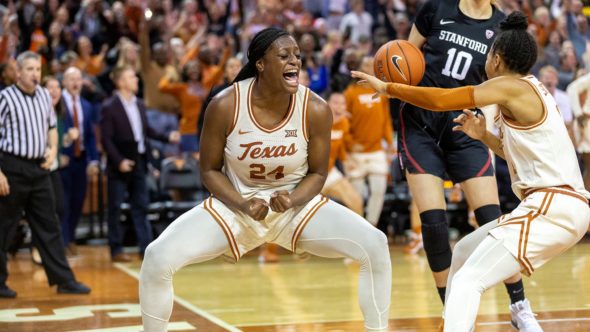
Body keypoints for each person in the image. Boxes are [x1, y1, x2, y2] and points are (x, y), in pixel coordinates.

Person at [139, 28, 392, 332]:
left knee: (375, 244)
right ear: (261, 64)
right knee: (156, 257)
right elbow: (208, 171)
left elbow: (318, 174)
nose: (294, 61)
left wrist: (293, 199)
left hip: (295, 209)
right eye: (284, 56)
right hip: (236, 207)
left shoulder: (315, 108)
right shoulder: (225, 105)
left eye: (297, 56)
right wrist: (243, 203)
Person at [352, 11, 589, 331]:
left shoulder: (511, 86)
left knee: (467, 281)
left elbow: (443, 100)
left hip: (551, 207)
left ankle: (493, 316)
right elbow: (519, 157)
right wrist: (485, 136)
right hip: (558, 206)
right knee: (463, 251)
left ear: (498, 58)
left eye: (488, 55)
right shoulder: (529, 91)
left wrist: (390, 88)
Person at [394, 0, 539, 326]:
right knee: (434, 222)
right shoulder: (436, 9)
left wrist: (485, 128)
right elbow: (404, 56)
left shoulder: (503, 26)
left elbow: (500, 88)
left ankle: (520, 307)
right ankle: (451, 312)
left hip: (465, 124)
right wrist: (391, 76)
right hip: (420, 123)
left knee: (492, 220)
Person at [0, 51, 91, 298]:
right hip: (11, 167)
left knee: (49, 225)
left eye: (38, 69)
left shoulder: (43, 95)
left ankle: (64, 280)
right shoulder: (5, 98)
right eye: (29, 69)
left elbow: (51, 127)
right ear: (18, 72)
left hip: (39, 169)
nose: (35, 74)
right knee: (4, 228)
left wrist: (52, 149)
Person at [100, 65, 180, 262]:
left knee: (141, 206)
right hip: (119, 162)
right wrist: (119, 161)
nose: (136, 79)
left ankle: (146, 248)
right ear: (120, 82)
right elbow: (106, 139)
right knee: (116, 207)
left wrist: (167, 137)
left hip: (139, 159)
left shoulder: (140, 104)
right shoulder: (109, 106)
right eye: (131, 76)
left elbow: (147, 132)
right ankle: (116, 249)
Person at [344, 56, 394, 226]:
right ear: (360, 68)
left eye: (371, 65)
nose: (368, 67)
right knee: (358, 195)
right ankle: (359, 227)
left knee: (379, 190)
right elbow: (344, 122)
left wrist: (390, 143)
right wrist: (350, 143)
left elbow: (386, 119)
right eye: (365, 64)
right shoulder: (350, 93)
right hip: (356, 152)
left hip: (377, 150)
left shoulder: (381, 90)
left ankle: (371, 225)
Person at [59, 67, 99, 255]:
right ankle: (64, 241)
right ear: (64, 82)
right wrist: (59, 152)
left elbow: (90, 136)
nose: (75, 82)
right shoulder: (58, 103)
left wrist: (93, 161)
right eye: (71, 78)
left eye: (78, 78)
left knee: (78, 200)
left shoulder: (87, 105)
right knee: (64, 201)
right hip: (63, 161)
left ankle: (71, 237)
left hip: (81, 159)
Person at [322, 91, 363, 215]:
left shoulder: (344, 123)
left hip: (330, 173)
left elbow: (340, 147)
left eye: (342, 104)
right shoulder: (316, 121)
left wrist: (346, 161)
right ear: (326, 105)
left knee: (356, 200)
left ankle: (360, 233)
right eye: (335, 103)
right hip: (309, 175)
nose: (339, 107)